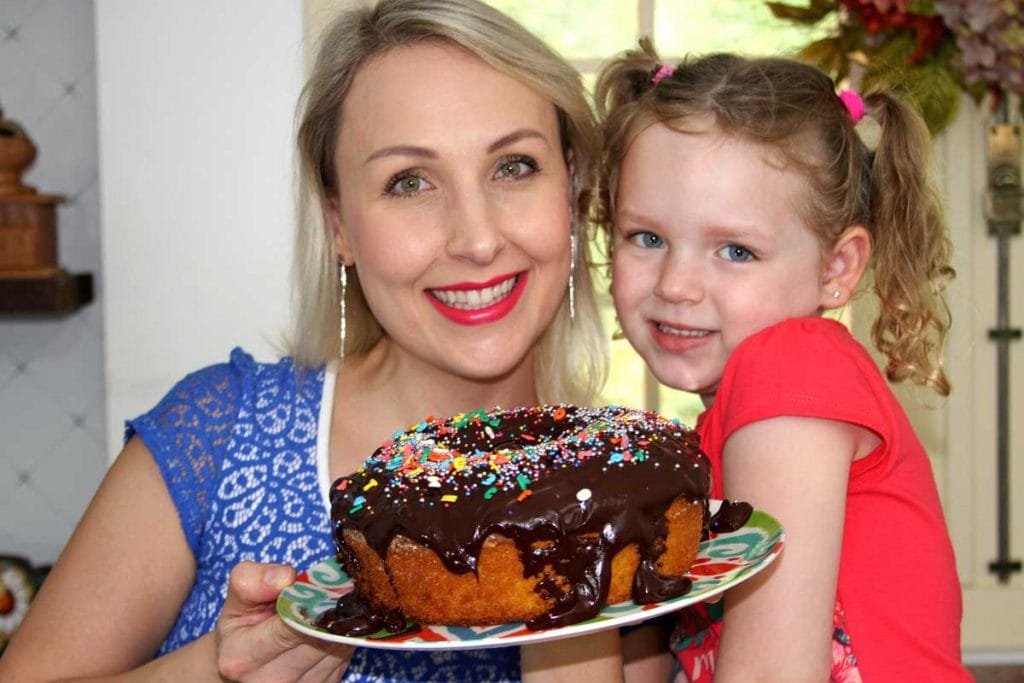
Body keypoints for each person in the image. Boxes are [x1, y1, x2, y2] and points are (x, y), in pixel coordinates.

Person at [0, 1, 620, 680]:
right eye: (408, 181)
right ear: (338, 226)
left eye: (514, 166)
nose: (476, 238)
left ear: (574, 191)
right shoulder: (221, 430)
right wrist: (216, 669)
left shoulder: (631, 501)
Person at [595, 44, 972, 682]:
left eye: (736, 251)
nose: (678, 284)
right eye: (648, 237)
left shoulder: (793, 365)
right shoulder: (712, 434)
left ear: (836, 269)